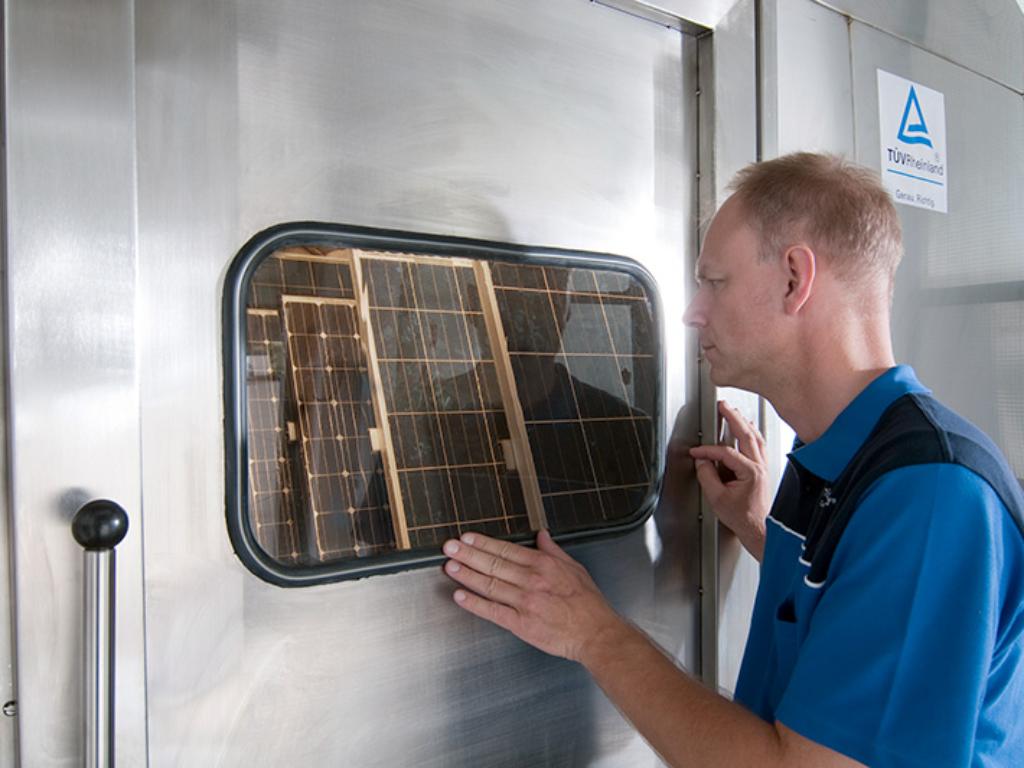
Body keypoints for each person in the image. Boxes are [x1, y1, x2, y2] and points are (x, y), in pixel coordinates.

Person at [440, 153, 1024, 767]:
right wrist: (759, 533)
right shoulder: (829, 460)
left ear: (796, 279)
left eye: (714, 282)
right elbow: (860, 618)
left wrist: (593, 633)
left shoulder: (928, 495)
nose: (693, 310)